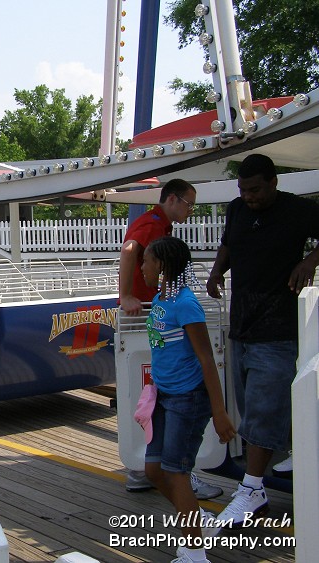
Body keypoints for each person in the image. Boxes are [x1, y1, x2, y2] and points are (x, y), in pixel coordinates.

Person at [206, 154, 319, 527]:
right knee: (253, 411)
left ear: (273, 183)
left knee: (262, 410)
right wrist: (217, 270)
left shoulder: (297, 210)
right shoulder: (237, 209)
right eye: (243, 190)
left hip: (278, 328)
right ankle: (290, 457)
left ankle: (252, 488)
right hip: (242, 326)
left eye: (255, 190)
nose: (249, 197)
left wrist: (310, 261)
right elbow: (228, 244)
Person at [119, 178, 223, 500]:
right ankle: (171, 475)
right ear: (173, 200)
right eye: (189, 204)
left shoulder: (176, 300)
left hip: (175, 382)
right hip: (142, 313)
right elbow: (129, 250)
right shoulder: (152, 226)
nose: (190, 211)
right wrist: (126, 295)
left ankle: (163, 473)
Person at [140, 237, 237, 563]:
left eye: (146, 261)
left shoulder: (185, 304)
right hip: (163, 397)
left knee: (176, 471)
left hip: (187, 399)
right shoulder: (159, 300)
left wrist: (219, 411)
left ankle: (195, 554)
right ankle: (198, 520)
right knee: (153, 470)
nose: (142, 267)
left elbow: (207, 360)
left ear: (162, 267)